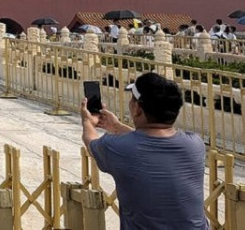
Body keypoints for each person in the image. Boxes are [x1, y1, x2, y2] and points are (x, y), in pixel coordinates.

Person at [79, 72, 208, 229]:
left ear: (138, 108)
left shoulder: (118, 147)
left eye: (132, 99)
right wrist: (117, 127)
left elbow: (91, 142)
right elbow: (151, 142)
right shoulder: (195, 145)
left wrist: (88, 121)